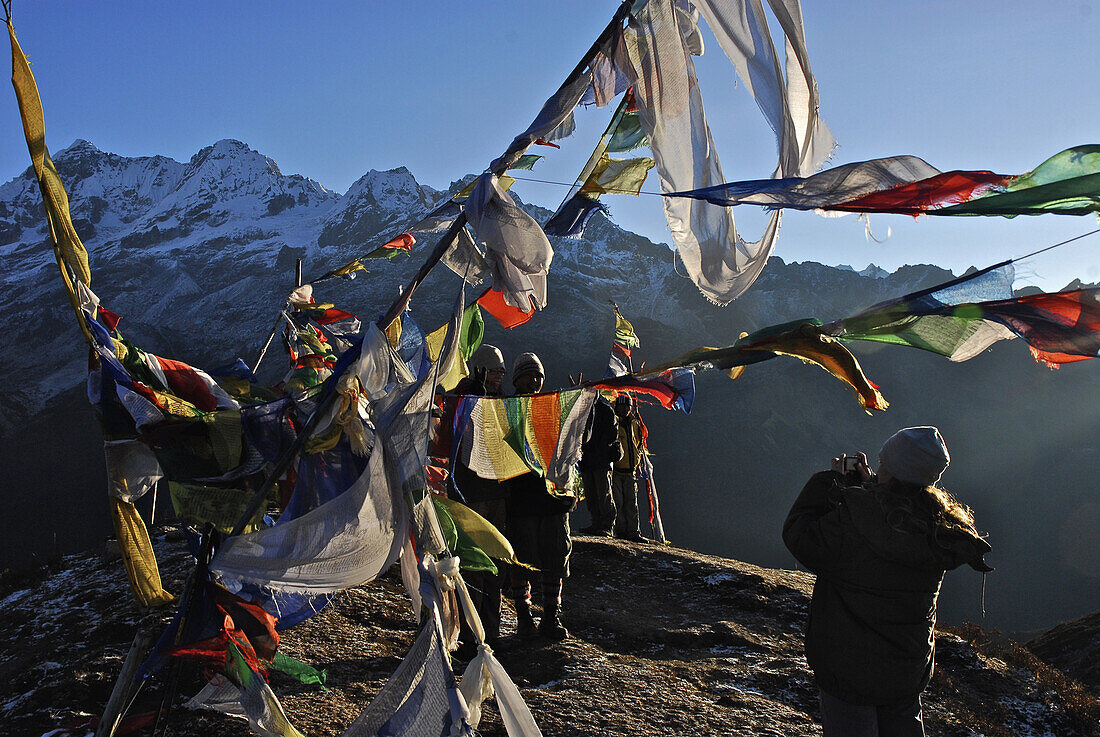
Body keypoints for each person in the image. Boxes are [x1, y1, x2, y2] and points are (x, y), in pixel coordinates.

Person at [783, 426, 993, 737]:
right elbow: (893, 523)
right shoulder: (938, 528)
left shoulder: (853, 521)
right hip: (905, 669)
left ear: (891, 471)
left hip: (848, 667)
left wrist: (832, 481)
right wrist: (875, 488)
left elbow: (800, 535)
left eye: (884, 464)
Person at [504, 352, 574, 640]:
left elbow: (571, 442)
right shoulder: (504, 410)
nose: (533, 380)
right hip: (521, 497)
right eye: (527, 375)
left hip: (552, 498)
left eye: (537, 376)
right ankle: (523, 617)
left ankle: (550, 616)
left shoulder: (552, 409)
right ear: (516, 379)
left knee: (554, 557)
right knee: (522, 560)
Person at [448, 344, 508, 655]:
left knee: (495, 562)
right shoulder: (464, 398)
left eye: (502, 371)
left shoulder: (503, 403)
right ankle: (470, 631)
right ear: (482, 369)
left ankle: (490, 628)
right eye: (495, 370)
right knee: (473, 561)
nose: (500, 376)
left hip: (497, 493)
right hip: (472, 493)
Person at [577, 393, 618, 536]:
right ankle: (596, 523)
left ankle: (607, 526)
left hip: (601, 459)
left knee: (603, 493)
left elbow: (612, 434)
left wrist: (600, 446)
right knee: (591, 493)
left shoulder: (605, 410)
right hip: (587, 459)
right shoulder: (582, 408)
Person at [611, 394, 646, 542]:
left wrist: (638, 465)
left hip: (631, 470)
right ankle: (620, 532)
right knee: (618, 502)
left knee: (631, 502)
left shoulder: (635, 424)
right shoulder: (612, 423)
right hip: (616, 470)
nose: (624, 409)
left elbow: (638, 446)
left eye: (627, 406)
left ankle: (633, 532)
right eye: (621, 406)